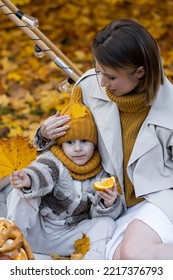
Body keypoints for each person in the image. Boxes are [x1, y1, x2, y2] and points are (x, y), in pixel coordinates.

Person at [34, 18, 173, 260]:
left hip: (158, 198)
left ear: (140, 72)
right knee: (119, 262)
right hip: (108, 203)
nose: (102, 82)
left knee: (134, 255)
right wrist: (44, 134)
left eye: (110, 77)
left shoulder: (170, 108)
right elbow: (72, 140)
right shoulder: (88, 87)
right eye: (98, 70)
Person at [7, 86, 123, 260]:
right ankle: (11, 246)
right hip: (37, 230)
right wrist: (28, 179)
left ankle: (93, 265)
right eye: (70, 143)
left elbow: (96, 215)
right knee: (21, 194)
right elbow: (43, 172)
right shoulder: (54, 160)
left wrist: (108, 203)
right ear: (62, 144)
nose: (77, 149)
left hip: (70, 236)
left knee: (106, 224)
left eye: (84, 141)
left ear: (94, 143)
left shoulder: (101, 173)